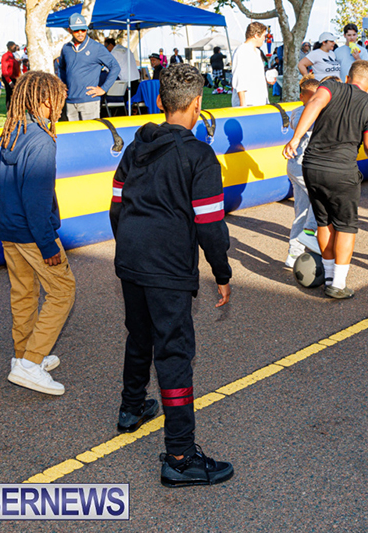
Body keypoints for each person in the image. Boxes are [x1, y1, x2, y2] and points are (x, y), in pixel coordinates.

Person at [109, 63, 234, 487]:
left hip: (131, 257)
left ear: (160, 102)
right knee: (175, 354)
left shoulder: (133, 147)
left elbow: (116, 205)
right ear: (198, 105)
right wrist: (221, 270)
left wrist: (129, 245)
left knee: (139, 333)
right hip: (167, 266)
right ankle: (180, 456)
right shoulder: (200, 156)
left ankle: (131, 407)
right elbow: (210, 225)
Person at [0, 71, 75, 396]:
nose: (60, 107)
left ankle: (22, 356)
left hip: (9, 229)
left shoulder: (14, 129)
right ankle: (31, 363)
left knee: (24, 294)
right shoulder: (41, 140)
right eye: (58, 100)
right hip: (32, 232)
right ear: (45, 100)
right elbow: (36, 199)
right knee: (62, 291)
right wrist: (47, 243)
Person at [282, 61, 368, 299]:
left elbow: (315, 103)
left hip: (312, 166)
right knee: (346, 227)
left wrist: (296, 139)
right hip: (342, 172)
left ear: (348, 78)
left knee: (323, 222)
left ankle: (328, 277)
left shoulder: (331, 87)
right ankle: (338, 284)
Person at [285, 75, 324, 268]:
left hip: (298, 166)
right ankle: (309, 233)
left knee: (302, 210)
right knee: (322, 200)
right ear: (303, 96)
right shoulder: (304, 113)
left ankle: (294, 252)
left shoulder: (297, 111)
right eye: (313, 96)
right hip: (302, 166)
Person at [58, 13, 120, 121]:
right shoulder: (66, 48)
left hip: (89, 102)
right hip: (70, 102)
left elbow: (115, 67)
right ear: (70, 30)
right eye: (77, 30)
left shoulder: (97, 48)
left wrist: (103, 89)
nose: (80, 33)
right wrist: (62, 86)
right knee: (73, 136)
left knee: (91, 136)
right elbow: (61, 68)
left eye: (83, 29)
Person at [232, 22, 270, 107]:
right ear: (256, 35)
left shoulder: (257, 52)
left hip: (260, 102)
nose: (264, 39)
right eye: (264, 36)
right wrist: (243, 105)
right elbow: (239, 79)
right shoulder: (242, 51)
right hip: (248, 103)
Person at [1, 41, 21, 110]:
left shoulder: (13, 56)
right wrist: (9, 82)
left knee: (15, 94)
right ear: (10, 47)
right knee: (9, 94)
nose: (16, 48)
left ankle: (14, 108)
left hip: (14, 77)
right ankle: (9, 110)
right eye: (14, 46)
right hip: (8, 78)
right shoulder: (6, 56)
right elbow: (4, 70)